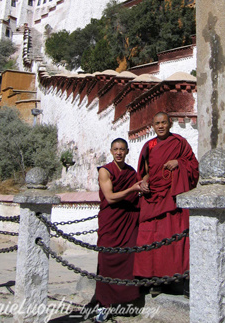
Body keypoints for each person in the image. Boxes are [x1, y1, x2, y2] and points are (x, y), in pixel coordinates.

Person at [133, 112, 199, 294]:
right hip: (154, 198)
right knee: (153, 238)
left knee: (178, 239)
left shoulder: (179, 143)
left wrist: (179, 162)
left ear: (170, 124)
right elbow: (146, 172)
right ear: (152, 126)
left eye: (163, 122)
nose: (160, 126)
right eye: (157, 123)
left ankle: (184, 281)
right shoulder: (149, 145)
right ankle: (156, 280)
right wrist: (144, 182)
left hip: (173, 197)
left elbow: (194, 165)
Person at [94, 138, 142, 322]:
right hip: (111, 221)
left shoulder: (131, 172)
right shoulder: (105, 171)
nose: (119, 152)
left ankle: (123, 301)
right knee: (106, 260)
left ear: (127, 151)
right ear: (111, 151)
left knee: (127, 259)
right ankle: (104, 305)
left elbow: (141, 185)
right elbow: (110, 197)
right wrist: (132, 189)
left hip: (128, 221)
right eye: (116, 149)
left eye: (122, 149)